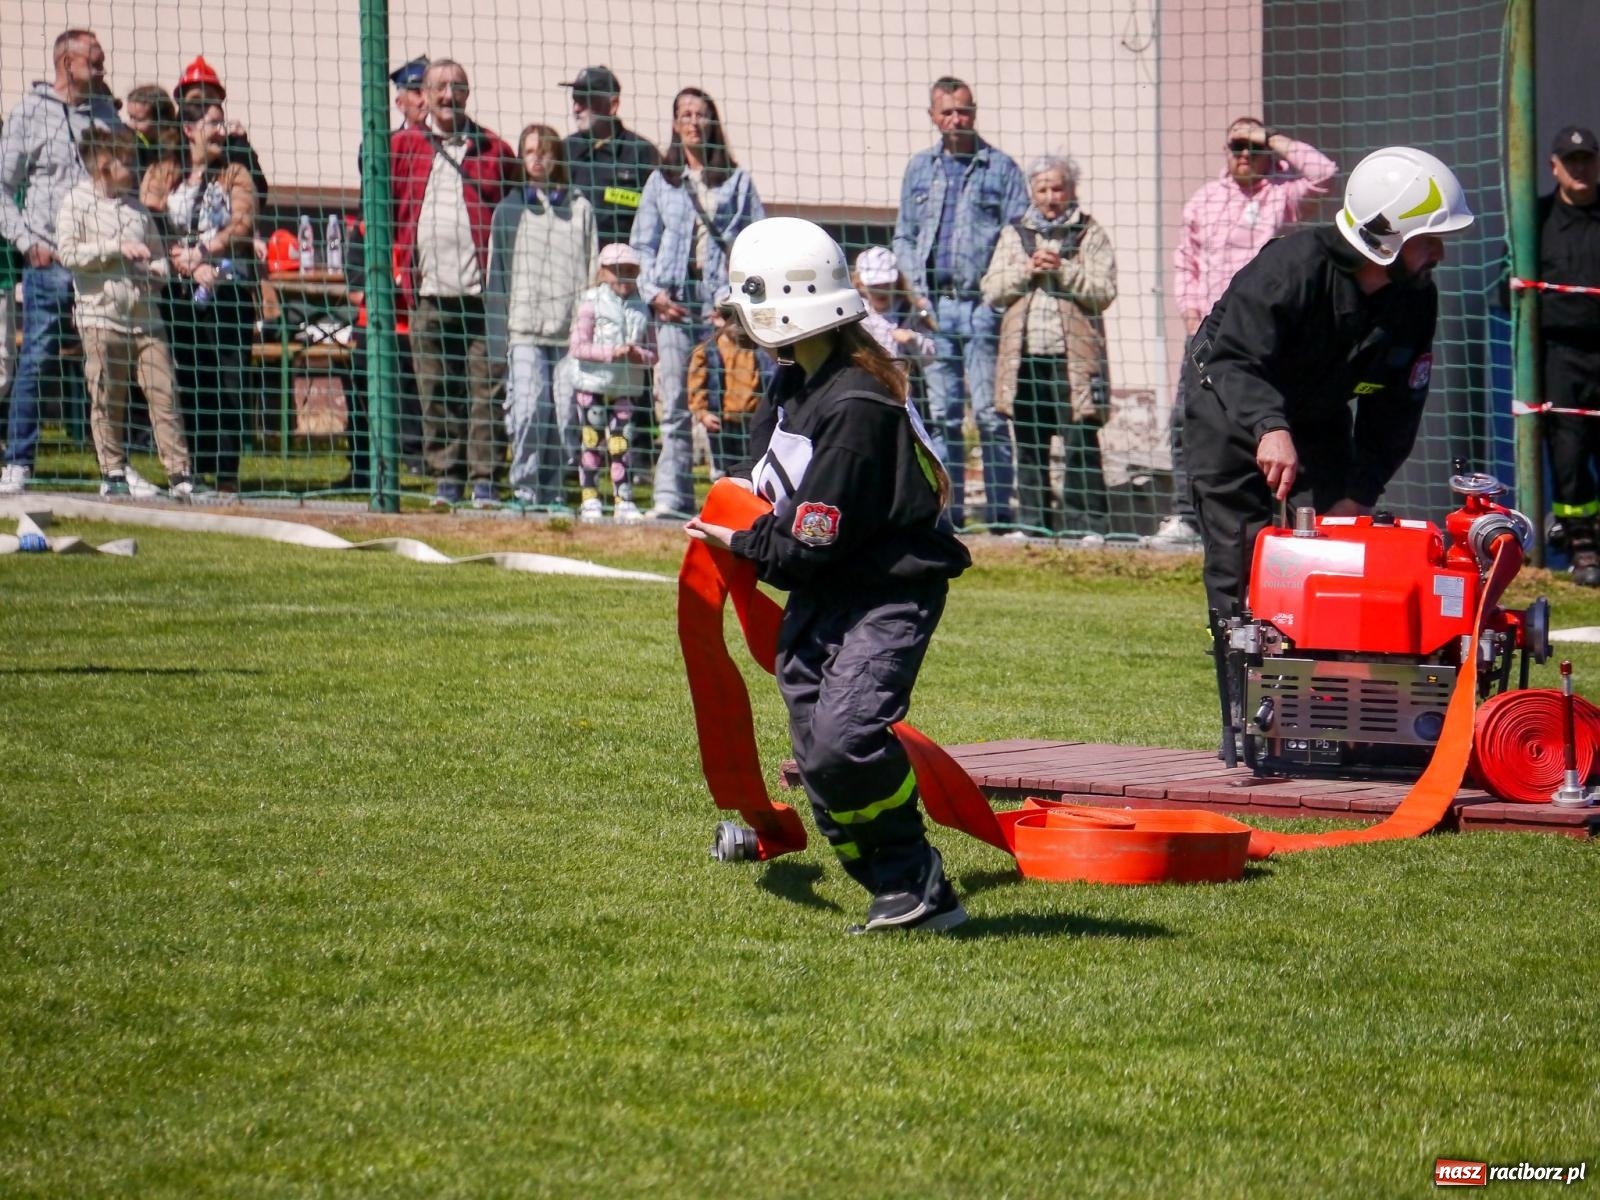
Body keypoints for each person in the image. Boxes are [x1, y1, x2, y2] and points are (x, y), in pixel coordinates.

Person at [685, 217, 972, 934]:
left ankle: (915, 878)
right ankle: (890, 884)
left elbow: (808, 541)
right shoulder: (793, 382)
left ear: (784, 305)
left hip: (884, 591)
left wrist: (743, 539)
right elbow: (774, 495)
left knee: (845, 739)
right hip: (828, 588)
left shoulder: (856, 407)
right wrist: (746, 523)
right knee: (817, 749)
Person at [1182, 146, 1474, 625]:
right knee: (1240, 558)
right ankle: (1242, 695)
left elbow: (1398, 407)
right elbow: (1234, 359)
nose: (1439, 254)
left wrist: (1360, 492)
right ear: (1386, 237)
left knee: (1338, 548)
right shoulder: (1290, 270)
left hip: (1316, 412)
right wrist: (1269, 426)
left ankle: (1324, 691)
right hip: (1230, 401)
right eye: (1429, 240)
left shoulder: (1416, 298)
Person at [1161, 119, 1337, 546]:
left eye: (1252, 145)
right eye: (1236, 145)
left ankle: (1284, 522)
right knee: (1188, 420)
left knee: (1272, 422)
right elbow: (1186, 260)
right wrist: (1190, 311)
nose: (1244, 153)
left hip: (1267, 332)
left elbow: (1325, 174)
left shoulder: (1285, 194)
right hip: (1209, 331)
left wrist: (1274, 141)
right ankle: (1188, 516)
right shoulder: (1205, 200)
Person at [892, 76, 1027, 529]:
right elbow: (905, 237)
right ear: (933, 116)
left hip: (983, 309)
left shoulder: (1001, 169)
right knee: (943, 416)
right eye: (947, 111)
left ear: (975, 112)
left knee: (990, 416)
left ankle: (1000, 515)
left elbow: (1019, 237)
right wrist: (918, 299)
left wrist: (995, 301)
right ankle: (947, 513)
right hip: (933, 310)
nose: (956, 119)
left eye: (964, 110)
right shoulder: (919, 169)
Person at [390, 58, 519, 507]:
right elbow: (387, 213)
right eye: (439, 87)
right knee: (435, 390)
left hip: (483, 298)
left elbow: (512, 220)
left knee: (486, 390)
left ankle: (485, 479)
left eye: (457, 87)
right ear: (423, 95)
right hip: (427, 294)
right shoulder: (401, 147)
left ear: (468, 93)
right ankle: (446, 477)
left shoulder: (496, 151)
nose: (448, 96)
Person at [630, 87, 764, 518]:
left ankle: (730, 498)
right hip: (674, 305)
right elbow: (642, 245)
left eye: (701, 114)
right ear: (674, 124)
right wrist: (653, 295)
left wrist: (733, 301)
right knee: (673, 403)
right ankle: (672, 497)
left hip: (720, 310)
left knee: (727, 402)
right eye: (685, 114)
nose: (693, 121)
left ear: (712, 123)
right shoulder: (661, 181)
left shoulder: (738, 182)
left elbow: (755, 242)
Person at [0, 29, 123, 496]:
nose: (102, 69)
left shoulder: (105, 115)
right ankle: (18, 462)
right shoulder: (29, 113)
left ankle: (115, 469)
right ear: (66, 63)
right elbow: (1, 187)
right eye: (95, 62)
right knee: (37, 356)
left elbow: (121, 181)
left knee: (108, 359)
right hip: (48, 259)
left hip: (98, 264)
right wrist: (27, 241)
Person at [55, 126, 197, 498]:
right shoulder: (75, 202)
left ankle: (180, 476)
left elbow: (160, 261)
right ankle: (113, 473)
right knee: (108, 396)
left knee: (164, 393)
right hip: (100, 318)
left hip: (146, 320)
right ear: (104, 164)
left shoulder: (137, 209)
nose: (134, 168)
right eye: (126, 160)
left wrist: (157, 272)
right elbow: (68, 255)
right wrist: (116, 248)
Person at [982, 153, 1117, 535]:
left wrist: (1064, 268)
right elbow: (991, 290)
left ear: (1072, 190)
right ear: (1031, 192)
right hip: (1024, 359)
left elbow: (1104, 291)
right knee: (1028, 444)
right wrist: (1027, 271)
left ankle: (1087, 526)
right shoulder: (1014, 234)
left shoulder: (1090, 233)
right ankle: (1033, 525)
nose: (1050, 196)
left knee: (1080, 443)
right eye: (1042, 188)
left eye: (1058, 187)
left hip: (1072, 359)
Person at [486, 123, 597, 508]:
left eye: (545, 150)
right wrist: (498, 339)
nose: (537, 158)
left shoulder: (580, 209)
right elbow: (496, 277)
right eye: (530, 151)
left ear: (557, 157)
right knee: (530, 408)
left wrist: (587, 328)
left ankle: (553, 488)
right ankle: (525, 487)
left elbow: (592, 268)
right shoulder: (509, 210)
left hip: (569, 335)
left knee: (565, 413)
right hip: (524, 332)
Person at [164, 96, 258, 495]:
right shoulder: (167, 172)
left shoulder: (235, 173)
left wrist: (204, 253)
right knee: (189, 377)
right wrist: (184, 261)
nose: (221, 131)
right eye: (212, 123)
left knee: (229, 381)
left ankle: (226, 473)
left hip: (227, 289)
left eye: (222, 123)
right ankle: (193, 470)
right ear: (189, 130)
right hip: (180, 291)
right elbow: (150, 215)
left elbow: (243, 223)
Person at [1536, 125, 1600, 586]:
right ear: (1554, 166)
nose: (1580, 168)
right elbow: (1510, 291)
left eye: (1586, 159)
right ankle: (1582, 545)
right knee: (1568, 453)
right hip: (1562, 355)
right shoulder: (1536, 219)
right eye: (1570, 160)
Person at [568, 243, 655, 523]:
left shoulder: (643, 307)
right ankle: (590, 497)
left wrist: (637, 354)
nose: (624, 278)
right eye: (618, 271)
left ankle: (623, 499)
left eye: (630, 271)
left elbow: (654, 353)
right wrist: (610, 353)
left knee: (622, 441)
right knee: (591, 440)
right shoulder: (589, 303)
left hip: (627, 385)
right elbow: (578, 347)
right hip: (591, 382)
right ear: (604, 272)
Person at [560, 65, 660, 249]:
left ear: (613, 105)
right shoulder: (564, 151)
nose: (576, 108)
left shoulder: (641, 153)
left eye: (585, 100)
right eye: (574, 99)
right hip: (573, 264)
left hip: (623, 269)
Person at [687, 307, 770, 480]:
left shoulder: (757, 348)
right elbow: (696, 384)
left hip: (751, 421)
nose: (736, 325)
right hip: (721, 422)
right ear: (719, 319)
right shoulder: (708, 350)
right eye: (730, 318)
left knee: (752, 469)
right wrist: (702, 413)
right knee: (724, 472)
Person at [171, 57, 269, 202]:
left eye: (210, 99)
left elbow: (259, 193)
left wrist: (241, 147)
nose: (204, 107)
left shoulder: (231, 144)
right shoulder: (168, 141)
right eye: (196, 101)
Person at [854, 245, 936, 368]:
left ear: (897, 281)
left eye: (886, 283)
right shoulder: (856, 312)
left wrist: (914, 340)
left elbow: (932, 356)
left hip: (901, 382)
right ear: (860, 284)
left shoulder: (908, 310)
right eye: (874, 285)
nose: (881, 290)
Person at [390, 57, 429, 131]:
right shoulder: (388, 141)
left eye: (428, 93)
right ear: (400, 103)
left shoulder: (438, 141)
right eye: (418, 93)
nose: (426, 101)